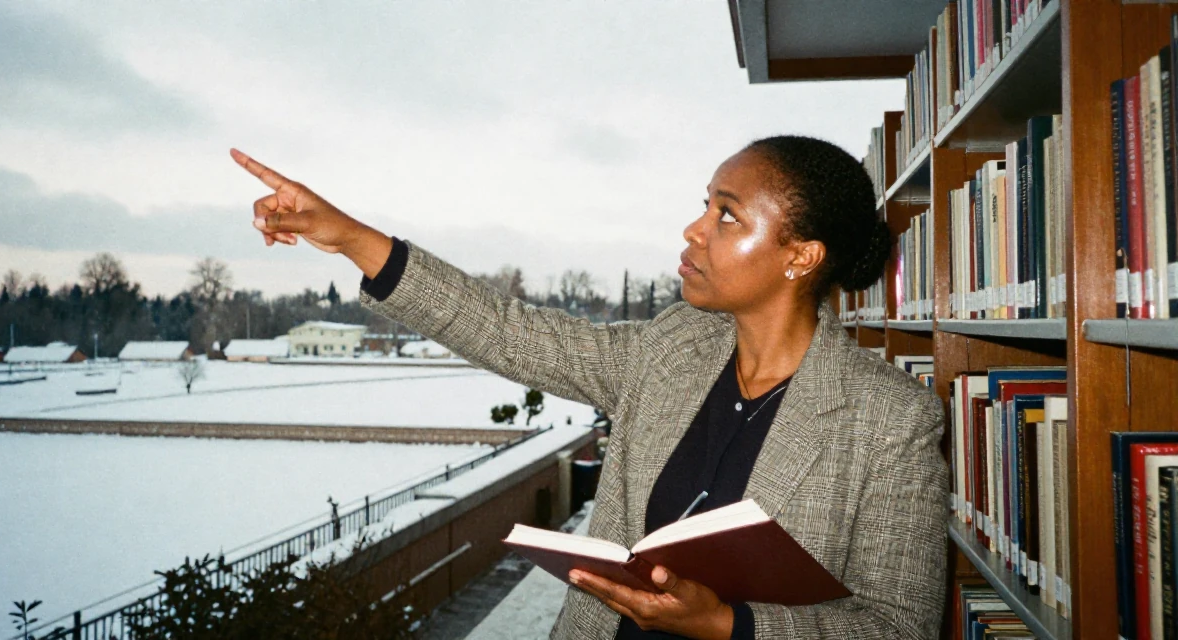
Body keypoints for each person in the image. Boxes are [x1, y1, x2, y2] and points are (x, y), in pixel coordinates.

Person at [230, 135, 948, 640]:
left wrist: (729, 625)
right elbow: (511, 333)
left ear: (800, 257)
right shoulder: (670, 348)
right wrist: (352, 237)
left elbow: (897, 625)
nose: (693, 230)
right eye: (704, 205)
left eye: (726, 215)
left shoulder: (890, 419)